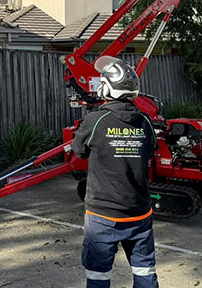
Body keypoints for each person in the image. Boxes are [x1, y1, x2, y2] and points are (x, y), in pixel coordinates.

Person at [71, 56, 159, 288]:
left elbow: (78, 152)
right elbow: (149, 152)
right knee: (145, 272)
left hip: (103, 216)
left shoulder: (95, 121)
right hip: (138, 213)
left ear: (107, 88)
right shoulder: (146, 122)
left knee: (99, 276)